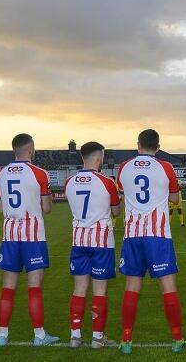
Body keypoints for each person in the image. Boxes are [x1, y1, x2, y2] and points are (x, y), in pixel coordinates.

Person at [116, 129, 186, 354]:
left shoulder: (123, 167)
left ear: (138, 144)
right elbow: (176, 198)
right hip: (158, 236)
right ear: (158, 147)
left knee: (131, 287)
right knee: (167, 287)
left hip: (133, 235)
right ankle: (177, 340)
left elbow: (121, 194)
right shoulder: (165, 167)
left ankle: (126, 341)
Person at [0, 133, 58, 346]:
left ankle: (2, 335)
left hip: (10, 236)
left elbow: (1, 208)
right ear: (30, 149)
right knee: (34, 286)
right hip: (32, 237)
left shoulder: (0, 175)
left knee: (8, 285)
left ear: (14, 150)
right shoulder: (40, 173)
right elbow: (47, 209)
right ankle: (39, 336)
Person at [64, 141, 120, 349]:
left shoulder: (69, 182)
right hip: (101, 242)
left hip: (78, 240)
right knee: (99, 290)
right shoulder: (106, 182)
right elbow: (115, 212)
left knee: (79, 288)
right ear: (99, 158)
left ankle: (75, 337)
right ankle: (97, 338)